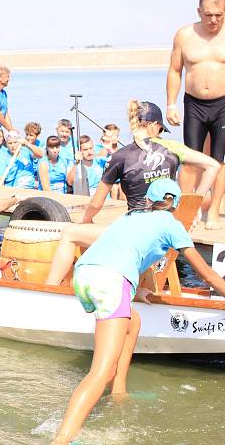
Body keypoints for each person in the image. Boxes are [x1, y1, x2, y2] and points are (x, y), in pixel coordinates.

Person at [45, 179, 225, 444]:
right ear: (174, 204)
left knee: (133, 321)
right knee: (100, 372)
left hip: (85, 274)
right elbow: (207, 274)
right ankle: (62, 439)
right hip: (110, 282)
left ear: (148, 200)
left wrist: (135, 290)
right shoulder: (171, 224)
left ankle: (119, 392)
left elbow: (126, 251)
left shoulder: (130, 217)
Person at [82, 100, 220, 223]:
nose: (160, 133)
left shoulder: (120, 156)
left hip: (137, 222)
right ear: (154, 125)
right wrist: (194, 205)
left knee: (74, 232)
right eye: (161, 129)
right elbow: (213, 165)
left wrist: (86, 220)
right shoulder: (173, 148)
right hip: (168, 222)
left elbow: (96, 204)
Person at [166, 0, 225, 229]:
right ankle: (186, 211)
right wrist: (171, 103)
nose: (213, 20)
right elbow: (174, 70)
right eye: (208, 15)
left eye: (219, 15)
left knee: (219, 161)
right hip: (194, 103)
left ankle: (213, 211)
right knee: (189, 160)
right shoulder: (184, 35)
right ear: (199, 12)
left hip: (223, 104)